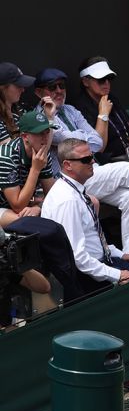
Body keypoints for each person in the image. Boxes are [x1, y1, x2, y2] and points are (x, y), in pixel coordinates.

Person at [34, 68, 129, 254]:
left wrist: (77, 137)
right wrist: (82, 136)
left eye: (61, 86)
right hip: (68, 181)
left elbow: (97, 142)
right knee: (127, 170)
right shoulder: (40, 117)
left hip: (90, 172)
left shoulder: (71, 110)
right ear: (39, 92)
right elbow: (65, 141)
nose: (59, 91)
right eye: (52, 87)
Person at [0, 110, 87, 302]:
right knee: (23, 222)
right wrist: (35, 169)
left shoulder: (41, 153)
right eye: (40, 133)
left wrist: (38, 207)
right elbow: (16, 204)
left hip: (27, 204)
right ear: (25, 137)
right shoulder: (7, 156)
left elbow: (53, 194)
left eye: (47, 132)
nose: (45, 137)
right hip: (4, 208)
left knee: (75, 206)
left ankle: (79, 267)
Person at [41, 138, 129, 294]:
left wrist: (119, 253)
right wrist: (118, 275)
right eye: (86, 159)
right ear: (67, 165)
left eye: (92, 157)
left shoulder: (74, 190)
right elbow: (78, 257)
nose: (92, 162)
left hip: (100, 262)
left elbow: (91, 239)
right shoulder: (67, 201)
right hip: (88, 276)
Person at [0, 62, 32, 142]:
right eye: (18, 85)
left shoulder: (20, 110)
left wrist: (49, 117)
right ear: (3, 88)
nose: (23, 89)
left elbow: (41, 141)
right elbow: (13, 152)